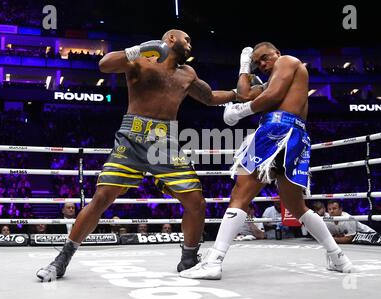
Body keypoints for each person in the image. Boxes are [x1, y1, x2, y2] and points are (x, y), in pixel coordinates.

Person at [36, 29, 237, 282]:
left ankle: (188, 259)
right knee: (102, 197)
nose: (190, 44)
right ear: (171, 39)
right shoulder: (141, 60)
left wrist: (240, 96)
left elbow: (209, 97)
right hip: (132, 136)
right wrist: (140, 49)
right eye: (187, 38)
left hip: (166, 142)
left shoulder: (188, 73)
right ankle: (61, 260)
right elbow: (104, 64)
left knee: (196, 202)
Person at [180, 42, 355, 280]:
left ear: (277, 53)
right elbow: (243, 92)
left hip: (276, 131)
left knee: (240, 195)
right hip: (296, 137)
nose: (262, 64)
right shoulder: (269, 81)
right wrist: (244, 66)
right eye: (257, 62)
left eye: (264, 58)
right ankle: (338, 258)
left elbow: (271, 96)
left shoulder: (288, 61)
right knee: (296, 206)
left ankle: (213, 262)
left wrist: (242, 111)